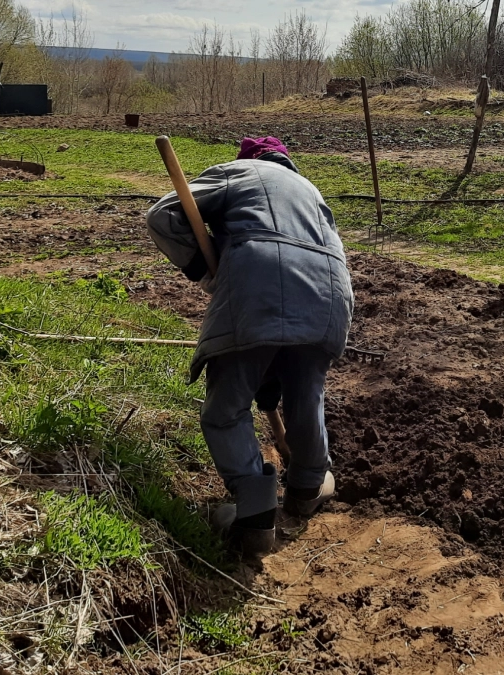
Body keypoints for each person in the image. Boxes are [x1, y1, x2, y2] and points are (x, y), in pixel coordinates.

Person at [146, 136, 354, 555]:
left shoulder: (240, 172)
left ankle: (255, 515)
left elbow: (163, 214)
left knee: (226, 409)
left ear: (250, 158)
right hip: (331, 296)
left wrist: (205, 269)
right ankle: (308, 487)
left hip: (260, 285)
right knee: (306, 395)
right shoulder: (312, 192)